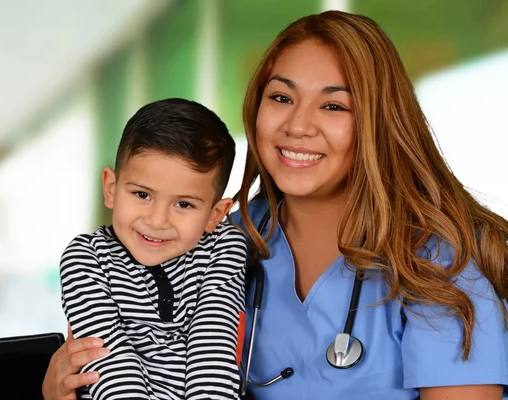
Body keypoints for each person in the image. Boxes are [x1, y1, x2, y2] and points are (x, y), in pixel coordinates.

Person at [43, 10, 508, 400]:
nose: (298, 125)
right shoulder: (220, 238)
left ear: (378, 123)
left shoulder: (441, 262)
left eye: (333, 106)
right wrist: (57, 388)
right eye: (281, 97)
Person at [58, 98, 247, 399]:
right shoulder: (85, 257)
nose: (157, 220)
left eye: (183, 204)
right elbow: (108, 361)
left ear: (215, 214)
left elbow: (213, 351)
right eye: (142, 194)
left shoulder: (224, 248)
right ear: (111, 188)